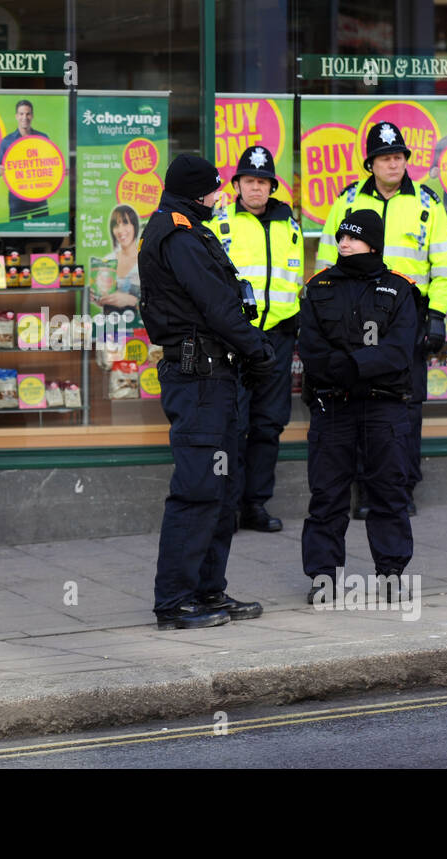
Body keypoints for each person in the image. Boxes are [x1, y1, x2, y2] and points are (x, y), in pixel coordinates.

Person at [139, 154, 277, 630]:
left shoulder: (190, 228)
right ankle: (175, 600)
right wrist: (258, 349)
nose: (222, 196)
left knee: (222, 487)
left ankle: (207, 591)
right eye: (216, 189)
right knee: (197, 489)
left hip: (215, 375)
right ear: (199, 192)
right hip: (198, 377)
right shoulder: (178, 234)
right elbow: (217, 305)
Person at [317, 122, 447, 513]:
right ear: (371, 164)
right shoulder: (346, 202)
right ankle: (365, 490)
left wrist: (437, 315)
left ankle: (401, 490)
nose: (393, 164)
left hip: (408, 315)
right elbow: (327, 262)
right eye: (385, 158)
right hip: (357, 314)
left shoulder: (428, 204)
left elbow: (445, 267)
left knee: (406, 405)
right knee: (360, 401)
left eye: (398, 156)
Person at [298, 209, 418, 602]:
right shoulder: (319, 287)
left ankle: (391, 574)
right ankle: (323, 579)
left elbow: (399, 351)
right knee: (327, 497)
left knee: (388, 494)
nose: (344, 243)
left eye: (353, 237)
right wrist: (346, 371)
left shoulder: (399, 290)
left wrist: (352, 365)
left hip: (384, 409)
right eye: (341, 237)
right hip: (333, 407)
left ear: (373, 243)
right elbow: (312, 349)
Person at [205, 145, 304, 533]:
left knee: (268, 424)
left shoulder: (289, 226)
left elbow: (292, 282)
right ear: (237, 185)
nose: (256, 189)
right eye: (250, 181)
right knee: (233, 423)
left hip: (277, 338)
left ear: (271, 186)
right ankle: (226, 506)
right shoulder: (219, 223)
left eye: (263, 182)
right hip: (235, 340)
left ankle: (255, 504)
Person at [0, 99, 50, 221]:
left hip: (38, 194)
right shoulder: (7, 141)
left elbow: (50, 163)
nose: (25, 117)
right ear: (16, 116)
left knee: (42, 230)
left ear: (32, 116)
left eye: (28, 114)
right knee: (16, 234)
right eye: (22, 114)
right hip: (16, 197)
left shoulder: (43, 138)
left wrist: (60, 170)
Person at [93, 204, 142, 324]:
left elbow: (160, 299)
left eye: (125, 223)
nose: (120, 230)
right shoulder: (107, 261)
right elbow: (99, 295)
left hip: (140, 329)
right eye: (116, 225)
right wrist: (97, 297)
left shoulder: (147, 261)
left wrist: (132, 300)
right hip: (109, 326)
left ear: (135, 226)